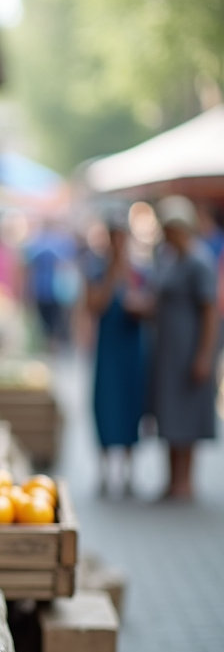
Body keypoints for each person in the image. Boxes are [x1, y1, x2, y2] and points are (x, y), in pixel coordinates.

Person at [147, 195, 218, 501]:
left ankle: (185, 481)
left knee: (188, 413)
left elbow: (210, 312)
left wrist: (204, 354)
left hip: (190, 350)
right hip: (168, 352)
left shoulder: (199, 261)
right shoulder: (169, 258)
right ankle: (171, 478)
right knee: (170, 412)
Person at [84, 213, 148, 496]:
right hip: (108, 348)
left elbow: (146, 303)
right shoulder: (96, 269)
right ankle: (105, 471)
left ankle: (130, 473)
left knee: (132, 404)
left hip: (132, 347)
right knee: (106, 403)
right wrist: (113, 274)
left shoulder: (139, 270)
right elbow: (94, 305)